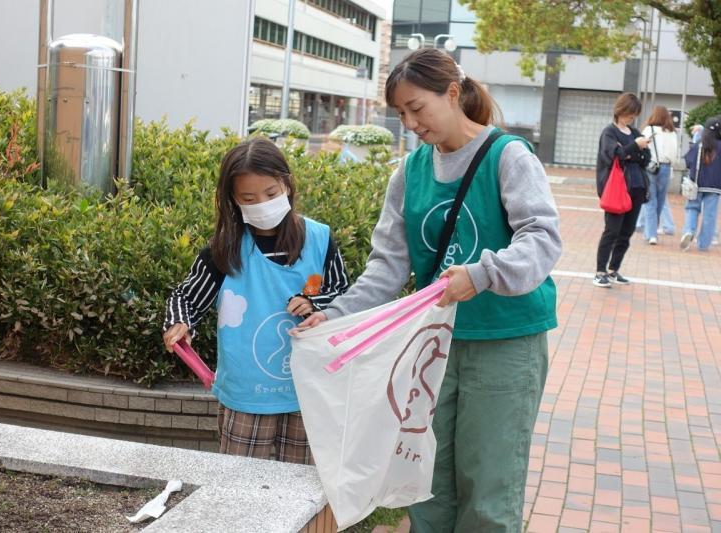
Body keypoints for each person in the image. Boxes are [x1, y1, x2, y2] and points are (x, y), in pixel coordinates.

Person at [298, 48, 561, 532]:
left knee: (489, 489)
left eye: (417, 108)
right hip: (433, 343)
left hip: (505, 342)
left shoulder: (507, 156)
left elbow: (543, 240)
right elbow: (387, 267)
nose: (410, 123)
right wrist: (333, 318)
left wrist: (480, 274)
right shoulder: (410, 173)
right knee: (427, 482)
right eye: (401, 114)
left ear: (453, 93)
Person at [162, 137, 350, 464]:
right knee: (240, 490)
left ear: (287, 185)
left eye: (271, 194)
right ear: (233, 200)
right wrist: (180, 322)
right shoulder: (225, 251)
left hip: (309, 391)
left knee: (301, 491)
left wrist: (316, 304)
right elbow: (187, 298)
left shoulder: (319, 239)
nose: (262, 204)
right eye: (249, 197)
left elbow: (344, 297)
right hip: (246, 395)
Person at [594, 93, 651, 288]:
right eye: (629, 114)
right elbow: (613, 156)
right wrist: (634, 147)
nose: (631, 118)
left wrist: (629, 151)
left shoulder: (634, 132)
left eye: (634, 115)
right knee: (612, 231)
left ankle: (613, 269)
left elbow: (646, 157)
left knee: (626, 232)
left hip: (636, 187)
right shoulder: (609, 133)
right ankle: (600, 271)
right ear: (620, 111)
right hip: (617, 189)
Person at [681, 116, 721, 251]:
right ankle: (703, 245)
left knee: (692, 209)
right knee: (710, 215)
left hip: (696, 184)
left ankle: (689, 231)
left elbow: (688, 161)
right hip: (715, 186)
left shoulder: (699, 144)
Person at [641, 106, 679, 245]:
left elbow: (641, 146)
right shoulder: (672, 133)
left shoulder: (649, 130)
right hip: (666, 167)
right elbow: (675, 154)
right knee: (661, 201)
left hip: (650, 167)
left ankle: (651, 235)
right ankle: (652, 232)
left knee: (650, 200)